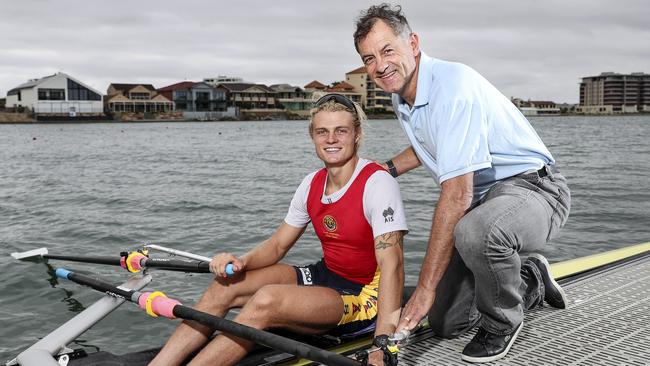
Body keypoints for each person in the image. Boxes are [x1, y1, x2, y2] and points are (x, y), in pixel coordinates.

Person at [353, 4, 571, 363]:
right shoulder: (402, 93)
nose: (379, 66)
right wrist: (383, 170)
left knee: (474, 231)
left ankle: (504, 323)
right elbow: (430, 145)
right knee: (446, 322)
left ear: (414, 43)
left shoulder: (452, 87)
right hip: (487, 203)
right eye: (369, 59)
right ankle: (530, 279)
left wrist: (423, 290)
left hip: (536, 190)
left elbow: (457, 195)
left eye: (387, 50)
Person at [149, 93, 408, 366]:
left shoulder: (377, 183)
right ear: (313, 137)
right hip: (325, 275)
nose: (331, 139)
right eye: (322, 132)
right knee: (223, 287)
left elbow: (393, 266)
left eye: (340, 131)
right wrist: (242, 262)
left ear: (356, 135)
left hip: (363, 297)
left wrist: (383, 343)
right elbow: (277, 246)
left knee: (266, 299)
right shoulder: (312, 184)